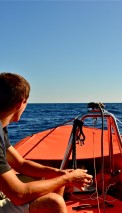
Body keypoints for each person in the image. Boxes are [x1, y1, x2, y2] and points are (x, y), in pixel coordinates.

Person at [0, 72, 93, 213]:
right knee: (53, 203)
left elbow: (20, 164)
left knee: (56, 178)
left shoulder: (1, 126)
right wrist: (68, 178)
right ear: (21, 103)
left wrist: (59, 173)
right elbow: (19, 194)